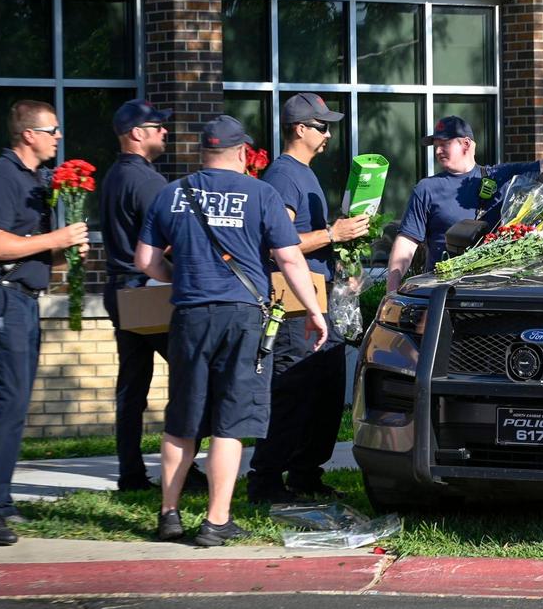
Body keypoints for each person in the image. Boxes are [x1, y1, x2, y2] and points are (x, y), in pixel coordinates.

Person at [136, 115, 329, 547]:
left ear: (204, 151)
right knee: (230, 420)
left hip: (188, 315)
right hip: (243, 316)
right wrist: (315, 311)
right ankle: (215, 521)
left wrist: (183, 275)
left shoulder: (172, 194)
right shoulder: (261, 193)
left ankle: (169, 515)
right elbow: (291, 259)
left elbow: (146, 262)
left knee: (183, 420)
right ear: (243, 152)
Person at [0, 100, 89, 545]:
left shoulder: (34, 180)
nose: (58, 136)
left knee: (16, 405)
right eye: (52, 129)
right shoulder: (2, 176)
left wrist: (63, 252)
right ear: (29, 135)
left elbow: (27, 247)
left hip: (23, 299)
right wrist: (58, 237)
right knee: (10, 402)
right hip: (1, 298)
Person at [246, 93, 370, 503]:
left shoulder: (306, 174)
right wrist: (333, 234)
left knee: (326, 392)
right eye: (322, 126)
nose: (328, 133)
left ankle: (305, 474)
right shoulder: (282, 176)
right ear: (300, 129)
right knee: (293, 391)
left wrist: (343, 264)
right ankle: (265, 479)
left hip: (321, 299)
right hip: (295, 304)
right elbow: (277, 244)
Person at [100, 99, 207, 493]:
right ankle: (181, 467)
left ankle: (131, 473)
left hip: (121, 291)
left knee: (133, 385)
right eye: (157, 125)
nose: (164, 131)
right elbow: (174, 240)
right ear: (136, 133)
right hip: (147, 291)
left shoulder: (116, 175)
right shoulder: (147, 182)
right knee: (195, 375)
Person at [386, 114, 543, 292]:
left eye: (444, 144)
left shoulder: (500, 176)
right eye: (435, 145)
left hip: (491, 290)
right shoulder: (426, 188)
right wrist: (391, 291)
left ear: (465, 144)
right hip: (442, 291)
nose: (438, 151)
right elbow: (407, 242)